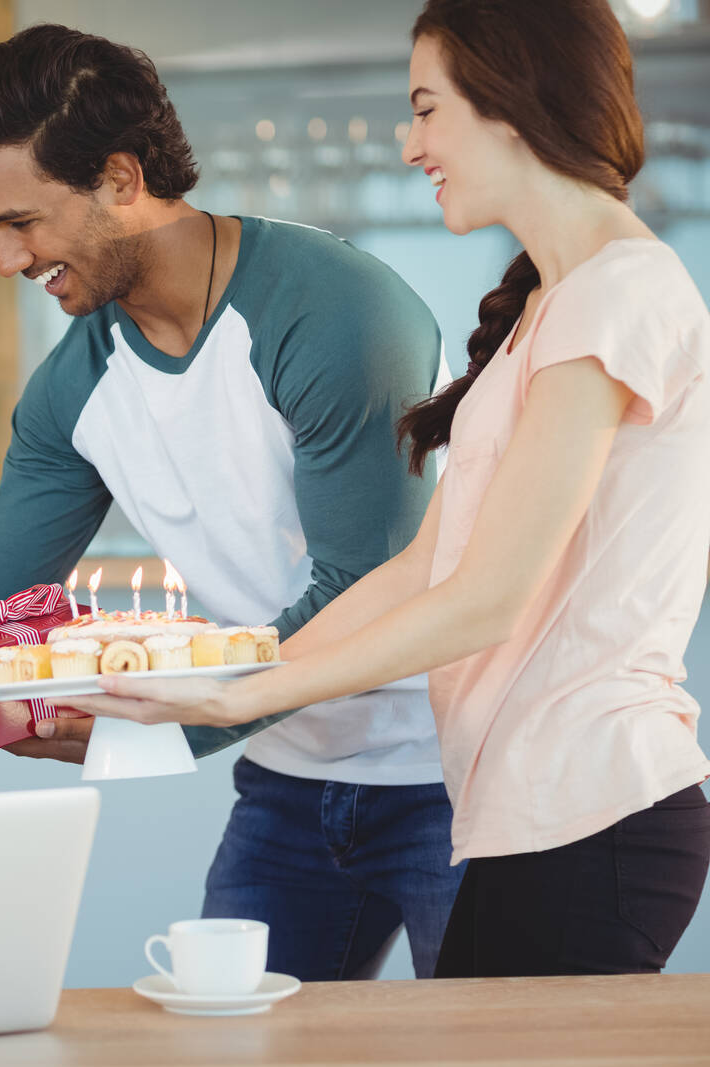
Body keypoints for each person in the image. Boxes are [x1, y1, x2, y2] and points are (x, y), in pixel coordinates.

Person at [65, 0, 710, 978]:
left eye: (426, 109)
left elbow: (486, 599)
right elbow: (421, 569)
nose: (409, 145)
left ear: (511, 100)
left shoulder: (618, 296)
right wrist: (230, 676)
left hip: (598, 810)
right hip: (524, 813)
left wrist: (246, 697)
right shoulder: (557, 304)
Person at [0, 24, 464, 980]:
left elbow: (369, 583)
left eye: (21, 222)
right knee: (229, 1047)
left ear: (119, 179)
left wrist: (169, 723)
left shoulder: (336, 316)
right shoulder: (76, 389)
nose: (6, 260)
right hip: (291, 778)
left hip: (458, 769)